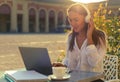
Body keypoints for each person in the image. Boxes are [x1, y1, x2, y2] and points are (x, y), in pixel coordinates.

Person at [53, 3, 106, 82]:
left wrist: (89, 37)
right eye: (70, 20)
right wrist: (63, 65)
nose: (72, 23)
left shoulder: (99, 37)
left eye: (76, 20)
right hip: (74, 80)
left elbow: (94, 62)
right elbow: (68, 60)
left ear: (86, 19)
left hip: (94, 80)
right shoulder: (70, 37)